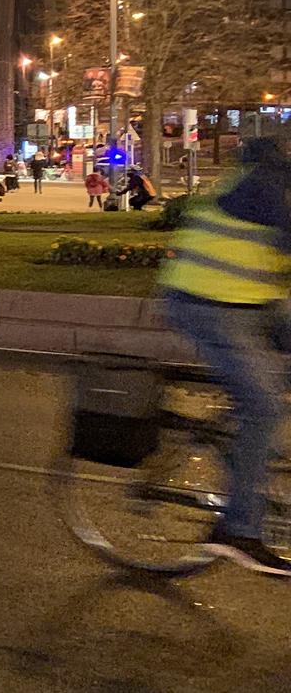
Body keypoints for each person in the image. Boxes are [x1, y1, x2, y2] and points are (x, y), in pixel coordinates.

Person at [157, 137, 291, 574]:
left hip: (250, 300)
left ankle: (249, 449)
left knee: (264, 401)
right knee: (264, 405)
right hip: (204, 304)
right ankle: (239, 530)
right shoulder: (263, 184)